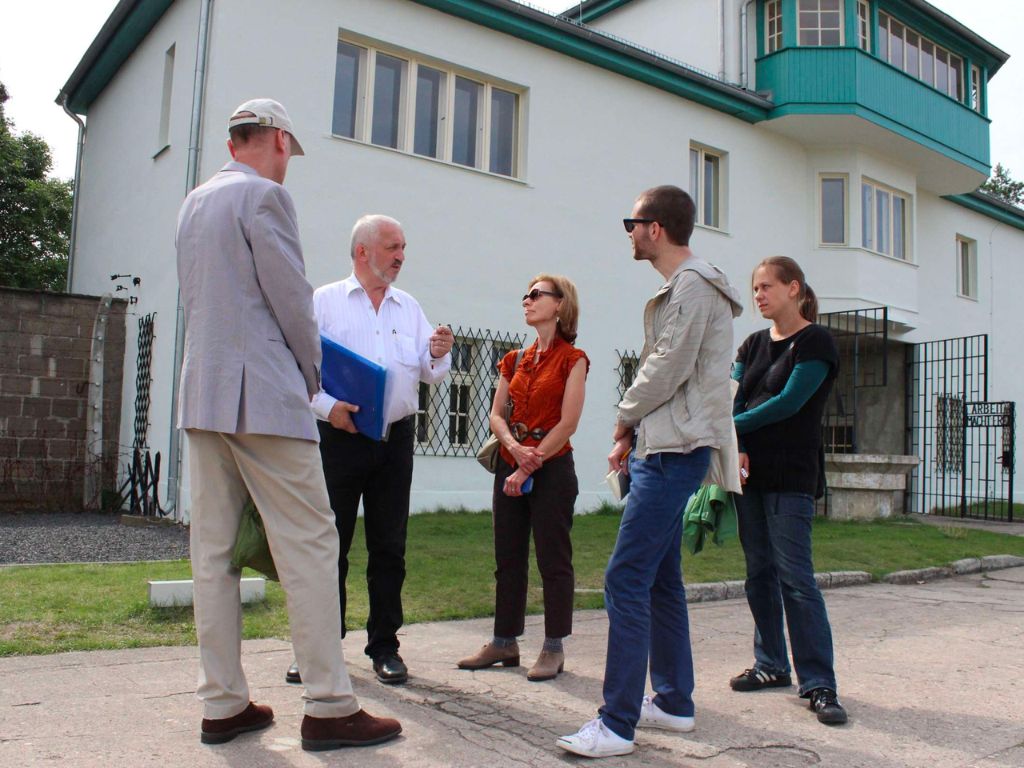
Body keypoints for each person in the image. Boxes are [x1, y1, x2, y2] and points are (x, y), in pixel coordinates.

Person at [176, 98, 400, 750]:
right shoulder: (264, 198)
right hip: (264, 396)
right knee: (311, 542)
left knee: (213, 554)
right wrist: (313, 381)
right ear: (277, 140)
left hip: (204, 397)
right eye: (289, 152)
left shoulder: (193, 202)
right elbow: (293, 302)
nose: (287, 165)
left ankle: (222, 703)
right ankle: (329, 705)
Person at [558, 186, 742, 758]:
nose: (629, 233)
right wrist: (633, 435)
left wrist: (624, 415)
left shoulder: (693, 285)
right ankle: (673, 702)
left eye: (632, 224)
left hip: (674, 452)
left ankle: (615, 724)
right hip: (662, 445)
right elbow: (671, 372)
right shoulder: (683, 286)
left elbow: (667, 366)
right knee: (660, 579)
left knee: (625, 578)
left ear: (655, 228)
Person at [285, 214, 453, 687]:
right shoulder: (324, 302)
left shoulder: (408, 307)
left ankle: (384, 646)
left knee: (389, 547)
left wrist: (438, 351)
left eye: (403, 248)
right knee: (328, 546)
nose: (401, 256)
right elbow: (297, 370)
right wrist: (328, 408)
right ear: (363, 251)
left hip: (395, 441)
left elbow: (430, 371)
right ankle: (318, 650)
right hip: (340, 438)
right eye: (392, 247)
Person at [728, 256, 848, 725]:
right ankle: (771, 664)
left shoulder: (815, 341)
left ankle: (818, 682)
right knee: (758, 574)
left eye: (766, 286)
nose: (758, 295)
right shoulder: (752, 343)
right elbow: (732, 397)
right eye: (755, 288)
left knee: (796, 579)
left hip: (791, 476)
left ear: (793, 288)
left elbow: (788, 403)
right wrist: (735, 443)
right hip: (747, 476)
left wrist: (728, 429)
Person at [457, 274, 589, 681]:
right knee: (508, 557)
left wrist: (530, 462)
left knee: (554, 559)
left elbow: (568, 423)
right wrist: (514, 451)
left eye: (536, 295)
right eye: (525, 295)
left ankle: (553, 648)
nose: (526, 301)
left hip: (552, 468)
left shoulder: (574, 359)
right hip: (510, 463)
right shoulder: (514, 359)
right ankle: (504, 641)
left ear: (560, 304)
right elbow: (496, 415)